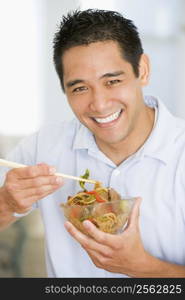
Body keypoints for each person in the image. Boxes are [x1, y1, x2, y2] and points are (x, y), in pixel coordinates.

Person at [0, 9, 185, 278]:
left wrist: (144, 268)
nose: (99, 104)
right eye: (79, 88)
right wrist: (6, 203)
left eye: (112, 81)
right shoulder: (44, 146)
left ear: (142, 70)